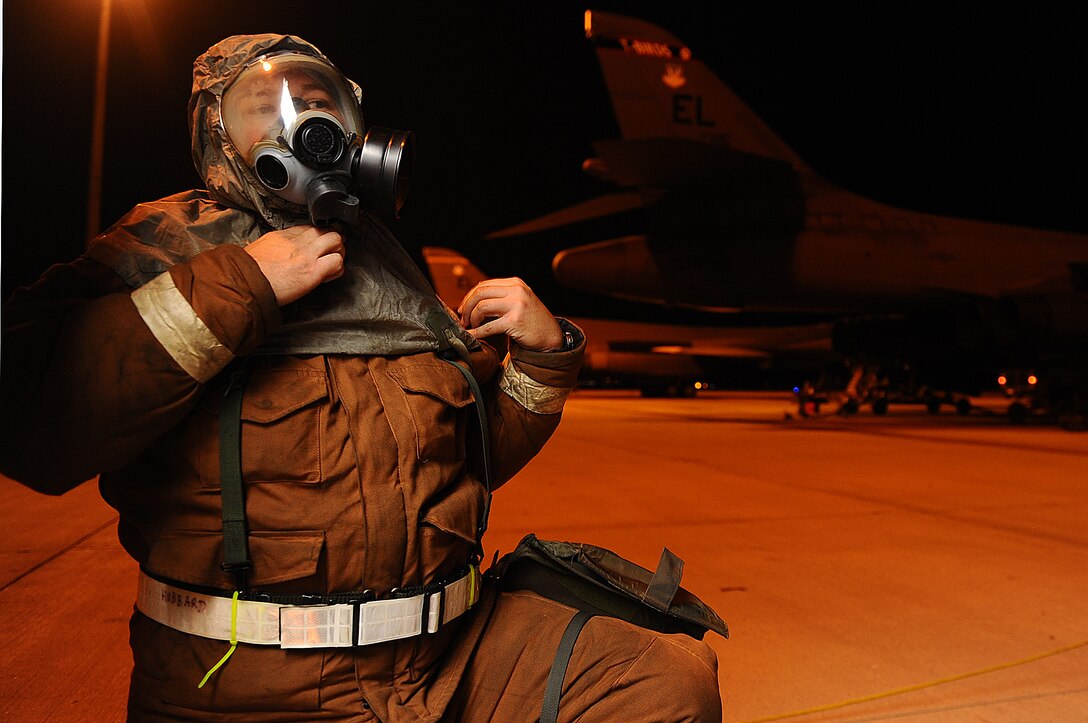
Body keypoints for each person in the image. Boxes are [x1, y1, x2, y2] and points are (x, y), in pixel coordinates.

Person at [1, 34, 721, 721]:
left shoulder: (386, 265)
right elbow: (27, 415)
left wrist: (542, 358)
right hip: (251, 687)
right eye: (265, 106)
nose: (301, 120)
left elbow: (466, 467)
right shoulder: (163, 246)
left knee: (661, 685)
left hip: (440, 663)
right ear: (219, 140)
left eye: (318, 101)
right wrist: (241, 285)